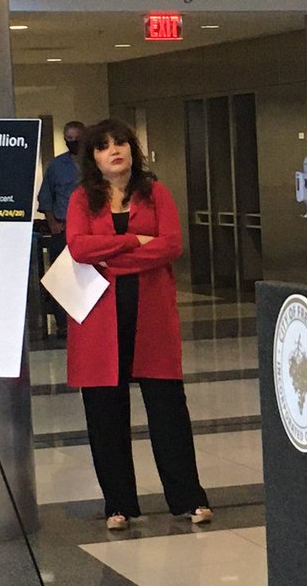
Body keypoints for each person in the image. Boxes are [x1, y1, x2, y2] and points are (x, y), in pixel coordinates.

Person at [65, 118, 213, 532]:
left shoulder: (156, 193)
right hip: (99, 320)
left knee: (168, 410)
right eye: (104, 146)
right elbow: (79, 248)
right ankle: (118, 504)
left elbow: (171, 246)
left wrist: (111, 256)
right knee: (105, 414)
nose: (114, 151)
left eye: (121, 143)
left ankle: (188, 498)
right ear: (93, 157)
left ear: (133, 149)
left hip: (152, 315)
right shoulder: (82, 199)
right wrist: (134, 240)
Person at [37, 120, 86, 337]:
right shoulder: (56, 166)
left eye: (77, 138)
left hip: (90, 231)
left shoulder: (96, 163)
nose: (73, 142)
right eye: (69, 139)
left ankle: (88, 322)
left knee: (91, 278)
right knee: (63, 279)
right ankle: (63, 325)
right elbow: (45, 197)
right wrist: (52, 223)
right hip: (63, 229)